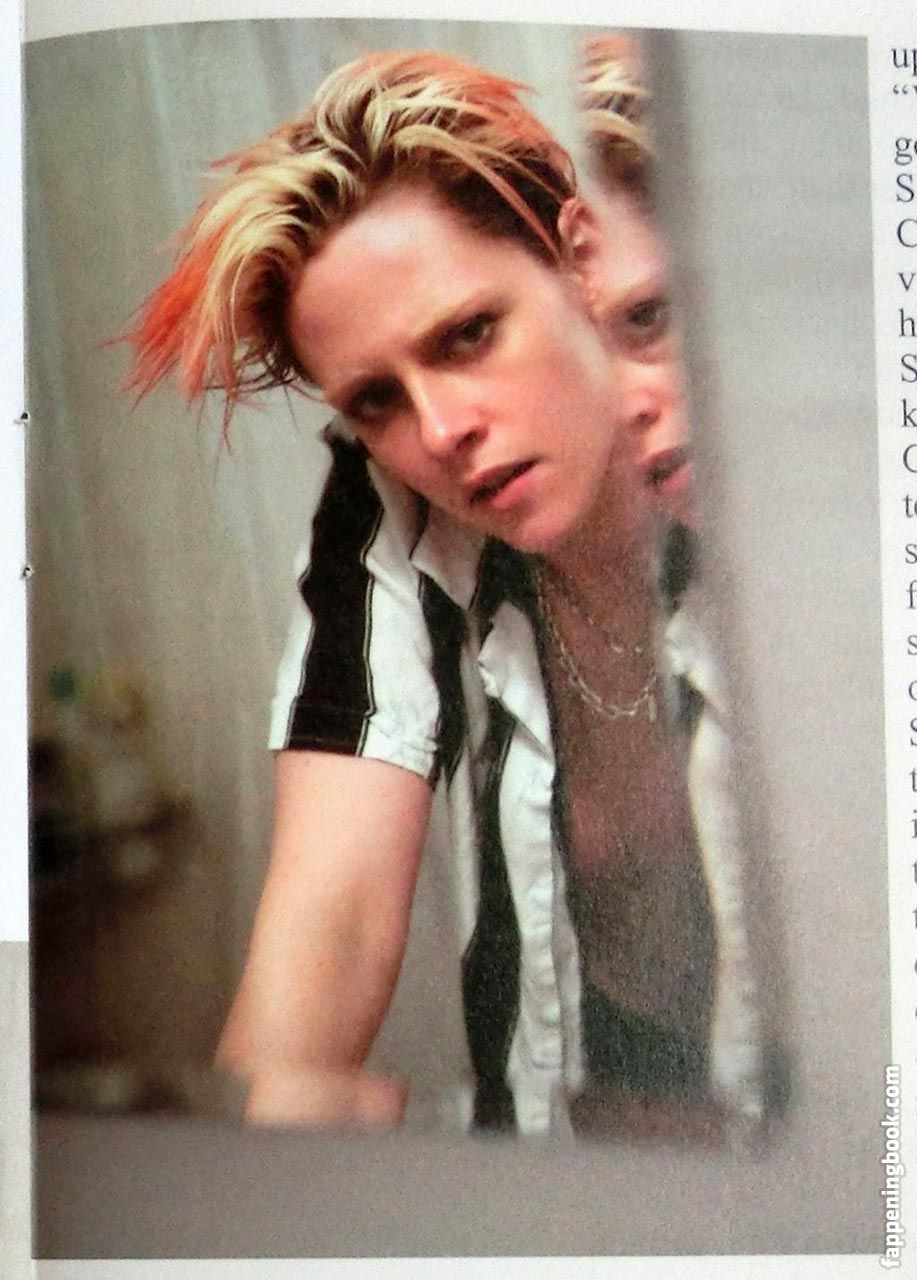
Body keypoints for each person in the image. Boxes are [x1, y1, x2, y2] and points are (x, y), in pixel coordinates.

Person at [127, 48, 762, 1136]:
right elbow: (329, 923)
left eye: (469, 334)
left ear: (572, 266)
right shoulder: (391, 508)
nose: (439, 429)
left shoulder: (737, 464)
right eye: (376, 399)